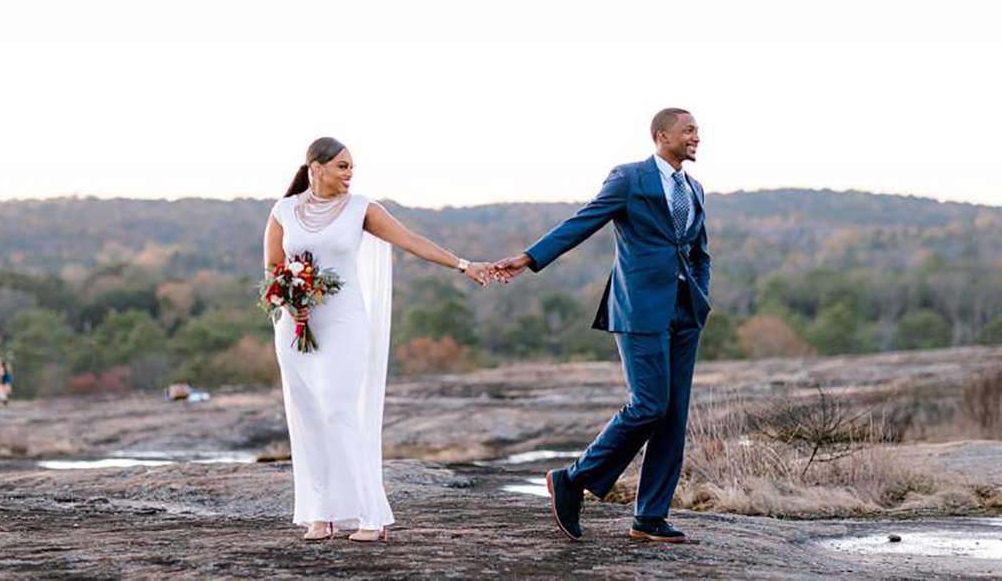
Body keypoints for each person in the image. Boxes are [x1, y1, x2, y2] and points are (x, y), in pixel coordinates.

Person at [494, 108, 711, 543]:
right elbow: (585, 220)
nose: (696, 137)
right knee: (649, 405)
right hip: (640, 310)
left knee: (672, 417)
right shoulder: (630, 178)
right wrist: (530, 257)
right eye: (688, 130)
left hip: (685, 313)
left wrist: (702, 295)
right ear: (661, 134)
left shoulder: (696, 188)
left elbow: (698, 249)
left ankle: (649, 517)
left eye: (698, 132)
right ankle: (572, 480)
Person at [264, 137, 492, 543]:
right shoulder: (283, 211)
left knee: (338, 409)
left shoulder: (361, 209)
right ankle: (321, 514)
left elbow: (411, 241)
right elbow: (272, 269)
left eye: (351, 167)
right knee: (307, 417)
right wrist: (289, 302)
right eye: (342, 166)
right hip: (294, 327)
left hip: (344, 322)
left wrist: (464, 265)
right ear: (315, 168)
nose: (350, 174)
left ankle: (373, 514)